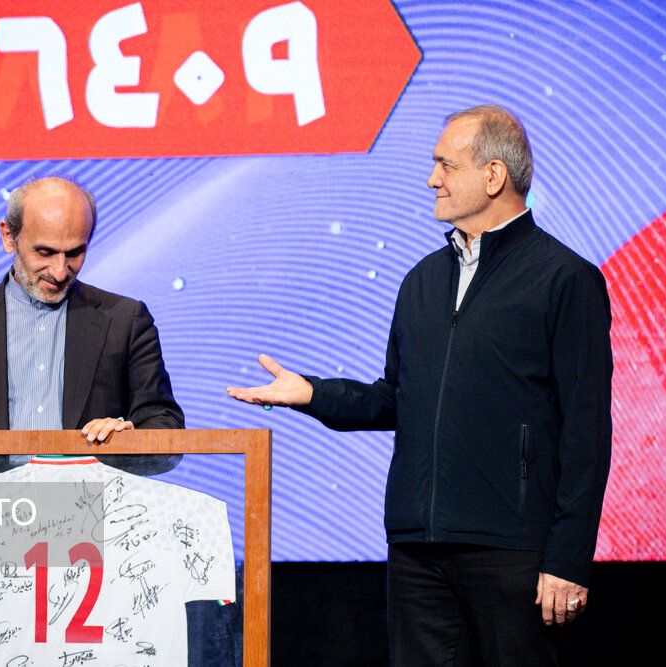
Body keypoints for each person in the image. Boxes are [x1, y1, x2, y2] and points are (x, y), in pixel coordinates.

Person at [228, 105, 613, 665]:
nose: (432, 179)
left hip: (513, 553)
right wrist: (312, 393)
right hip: (417, 552)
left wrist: (568, 559)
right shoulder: (422, 280)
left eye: (445, 165)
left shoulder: (565, 279)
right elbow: (397, 398)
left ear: (494, 175)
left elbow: (587, 433)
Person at [0, 175, 184, 481]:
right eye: (44, 253)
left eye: (75, 253)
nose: (59, 271)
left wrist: (127, 440)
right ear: (9, 236)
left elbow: (167, 431)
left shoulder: (126, 320)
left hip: (91, 508)